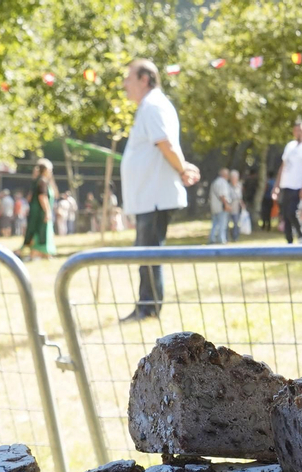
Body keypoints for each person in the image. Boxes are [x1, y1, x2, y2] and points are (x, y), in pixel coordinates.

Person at [119, 58, 199, 321]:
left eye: (129, 78)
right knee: (146, 253)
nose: (124, 84)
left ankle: (148, 308)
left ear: (144, 79)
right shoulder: (150, 105)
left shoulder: (153, 105)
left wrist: (182, 168)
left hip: (153, 196)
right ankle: (147, 306)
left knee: (148, 254)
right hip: (148, 196)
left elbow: (165, 144)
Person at [272, 118, 302, 244]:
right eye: (296, 130)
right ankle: (289, 241)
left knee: (292, 212)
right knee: (285, 214)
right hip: (286, 185)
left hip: (298, 185)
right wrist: (276, 186)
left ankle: (301, 235)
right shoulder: (289, 146)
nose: (298, 133)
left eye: (300, 130)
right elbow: (283, 166)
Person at [19, 158, 57, 261]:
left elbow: (29, 197)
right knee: (40, 232)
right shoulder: (42, 181)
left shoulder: (37, 181)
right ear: (45, 170)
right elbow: (42, 197)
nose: (51, 172)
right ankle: (35, 254)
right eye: (50, 170)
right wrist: (47, 212)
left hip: (35, 212)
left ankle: (44, 255)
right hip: (41, 212)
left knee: (36, 231)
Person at [208, 167, 233, 244]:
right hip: (221, 206)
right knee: (222, 224)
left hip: (214, 206)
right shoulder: (223, 183)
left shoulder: (215, 182)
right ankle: (222, 239)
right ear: (225, 175)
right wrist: (226, 205)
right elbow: (223, 195)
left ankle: (212, 239)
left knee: (215, 223)